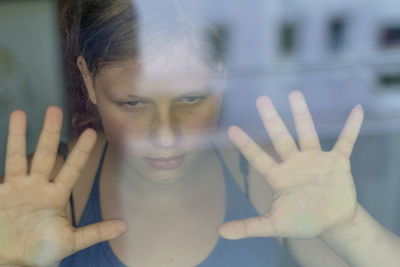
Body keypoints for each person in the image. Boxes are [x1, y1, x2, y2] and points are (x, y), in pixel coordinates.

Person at [1, 0, 400, 266]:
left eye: (191, 97)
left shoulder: (269, 174)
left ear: (223, 75)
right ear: (88, 79)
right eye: (133, 103)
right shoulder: (41, 193)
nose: (166, 134)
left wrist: (348, 228)